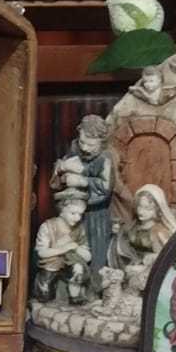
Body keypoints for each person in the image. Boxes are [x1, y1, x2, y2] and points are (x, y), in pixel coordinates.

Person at [50, 116, 117, 275]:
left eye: (91, 145)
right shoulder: (74, 150)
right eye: (82, 142)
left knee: (95, 253)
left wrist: (83, 181)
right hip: (70, 212)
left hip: (95, 216)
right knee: (69, 250)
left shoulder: (105, 158)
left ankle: (93, 284)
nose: (85, 148)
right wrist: (61, 171)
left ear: (101, 142)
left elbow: (105, 188)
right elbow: (56, 182)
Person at [111, 183, 176, 290]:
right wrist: (118, 232)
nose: (141, 211)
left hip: (148, 273)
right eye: (139, 206)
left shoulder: (158, 231)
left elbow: (163, 258)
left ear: (157, 210)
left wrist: (143, 265)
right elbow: (125, 241)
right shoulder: (134, 226)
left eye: (147, 208)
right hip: (130, 265)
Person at [32, 193, 91, 305]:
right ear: (62, 210)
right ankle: (45, 295)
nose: (77, 218)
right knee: (45, 292)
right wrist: (64, 248)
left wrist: (77, 248)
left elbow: (88, 257)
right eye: (73, 213)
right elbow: (41, 252)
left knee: (78, 268)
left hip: (70, 263)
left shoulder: (79, 229)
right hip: (51, 264)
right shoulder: (48, 226)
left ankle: (75, 298)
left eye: (80, 214)